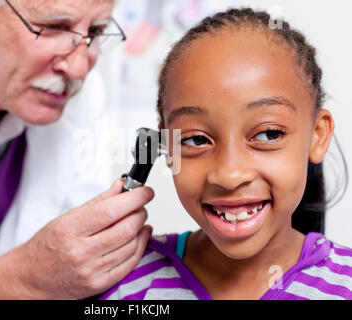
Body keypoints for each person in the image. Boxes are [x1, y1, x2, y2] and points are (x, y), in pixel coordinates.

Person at [0, 0, 155, 299]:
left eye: (97, 31)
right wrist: (9, 281)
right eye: (53, 28)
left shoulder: (81, 99)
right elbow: (29, 281)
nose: (78, 68)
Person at [98, 8, 352, 300]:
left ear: (317, 136)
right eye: (195, 139)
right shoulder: (119, 281)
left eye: (269, 134)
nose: (229, 175)